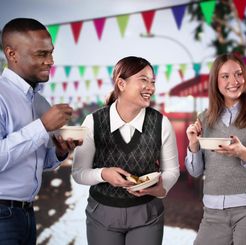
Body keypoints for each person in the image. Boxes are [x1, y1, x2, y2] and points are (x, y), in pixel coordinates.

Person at [72, 56, 180, 245]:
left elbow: (172, 170)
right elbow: (78, 173)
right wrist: (104, 174)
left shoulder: (161, 123)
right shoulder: (93, 122)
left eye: (152, 82)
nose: (151, 88)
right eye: (143, 80)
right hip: (102, 216)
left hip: (147, 214)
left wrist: (161, 188)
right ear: (121, 84)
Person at [185, 53, 246, 245]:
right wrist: (193, 145)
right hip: (212, 213)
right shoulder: (204, 119)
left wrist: (244, 154)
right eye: (225, 76)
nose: (234, 81)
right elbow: (195, 172)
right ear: (216, 82)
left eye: (238, 74)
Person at [0, 18, 79, 244]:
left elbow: (37, 161)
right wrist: (42, 126)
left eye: (51, 53)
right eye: (41, 54)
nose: (50, 61)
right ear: (12, 54)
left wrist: (60, 153)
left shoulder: (40, 102)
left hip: (26, 213)